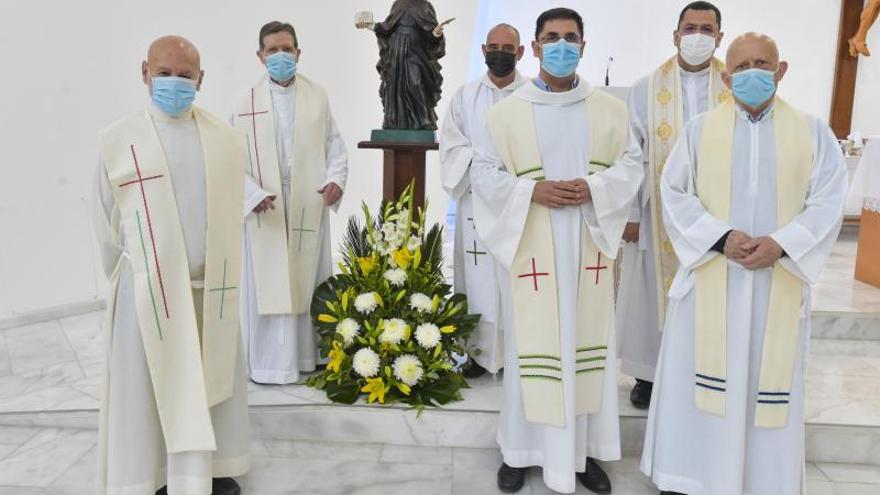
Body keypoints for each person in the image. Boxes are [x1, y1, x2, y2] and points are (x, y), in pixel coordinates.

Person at [641, 33, 848, 495]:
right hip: (713, 277)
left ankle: (761, 483)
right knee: (697, 386)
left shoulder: (813, 132)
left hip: (777, 282)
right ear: (727, 75)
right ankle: (690, 478)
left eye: (763, 63)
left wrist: (782, 243)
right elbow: (674, 195)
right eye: (742, 66)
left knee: (764, 387)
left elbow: (829, 201)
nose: (752, 72)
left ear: (781, 70)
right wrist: (720, 238)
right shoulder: (699, 131)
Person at [470, 8, 643, 494]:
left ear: (584, 46)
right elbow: (483, 172)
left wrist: (595, 189)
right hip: (531, 246)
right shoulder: (505, 113)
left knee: (586, 349)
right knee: (531, 348)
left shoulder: (609, 109)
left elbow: (631, 164)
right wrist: (531, 193)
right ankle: (518, 450)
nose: (561, 45)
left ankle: (582, 454)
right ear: (537, 44)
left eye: (571, 38)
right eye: (552, 38)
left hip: (588, 242)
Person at [94, 35, 251, 495]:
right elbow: (104, 224)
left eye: (185, 76)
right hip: (150, 294)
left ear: (201, 79)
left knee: (212, 385)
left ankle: (210, 472)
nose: (174, 84)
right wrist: (135, 280)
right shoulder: (119, 141)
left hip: (208, 290)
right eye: (165, 74)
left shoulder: (224, 138)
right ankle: (156, 476)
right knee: (152, 392)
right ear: (145, 73)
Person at [618, 1, 728, 409]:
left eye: (707, 29)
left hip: (716, 214)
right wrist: (630, 215)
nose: (697, 36)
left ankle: (699, 369)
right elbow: (631, 153)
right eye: (690, 27)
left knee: (706, 291)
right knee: (651, 291)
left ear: (720, 37)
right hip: (657, 211)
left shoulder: (734, 85)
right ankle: (647, 374)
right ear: (675, 35)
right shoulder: (647, 87)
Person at [234, 21, 348, 385]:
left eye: (287, 49)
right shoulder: (243, 104)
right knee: (268, 282)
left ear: (298, 52)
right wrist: (251, 194)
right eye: (272, 50)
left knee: (306, 278)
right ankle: (268, 362)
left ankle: (306, 356)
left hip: (306, 203)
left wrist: (334, 180)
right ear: (260, 56)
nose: (280, 56)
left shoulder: (318, 96)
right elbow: (229, 159)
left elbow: (336, 147)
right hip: (265, 207)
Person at [439, 23, 526, 378]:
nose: (500, 53)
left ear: (520, 53)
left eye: (508, 48)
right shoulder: (465, 96)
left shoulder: (534, 95)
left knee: (516, 279)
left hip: (519, 202)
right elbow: (451, 146)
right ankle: (476, 353)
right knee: (475, 280)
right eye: (494, 47)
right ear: (483, 50)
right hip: (476, 201)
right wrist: (483, 167)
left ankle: (519, 353)